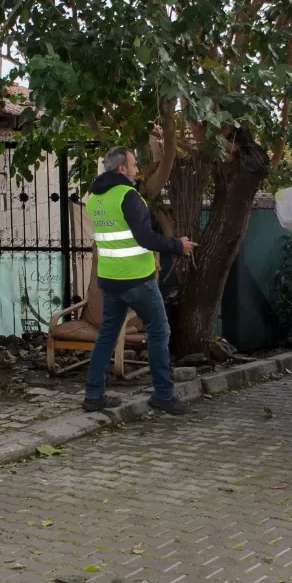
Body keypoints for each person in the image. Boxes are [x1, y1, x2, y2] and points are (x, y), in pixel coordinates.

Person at [82, 146, 196, 416]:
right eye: (133, 165)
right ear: (122, 169)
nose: (136, 169)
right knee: (159, 332)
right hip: (137, 280)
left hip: (109, 280)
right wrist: (178, 246)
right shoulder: (128, 196)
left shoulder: (94, 199)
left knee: (107, 335)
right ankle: (164, 395)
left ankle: (94, 395)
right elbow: (145, 238)